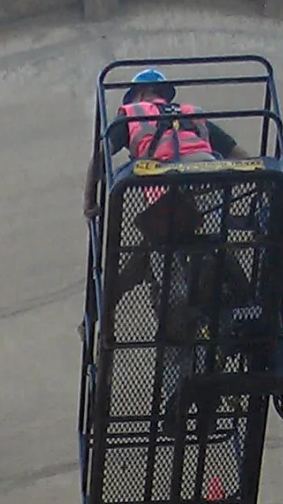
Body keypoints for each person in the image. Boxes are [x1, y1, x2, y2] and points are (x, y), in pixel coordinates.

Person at [88, 66, 246, 336]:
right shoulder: (191, 114)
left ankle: (114, 323)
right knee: (220, 244)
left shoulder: (131, 115)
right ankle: (248, 305)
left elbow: (100, 158)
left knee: (160, 264)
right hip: (208, 182)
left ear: (138, 93)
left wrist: (89, 201)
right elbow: (239, 154)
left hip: (168, 195)